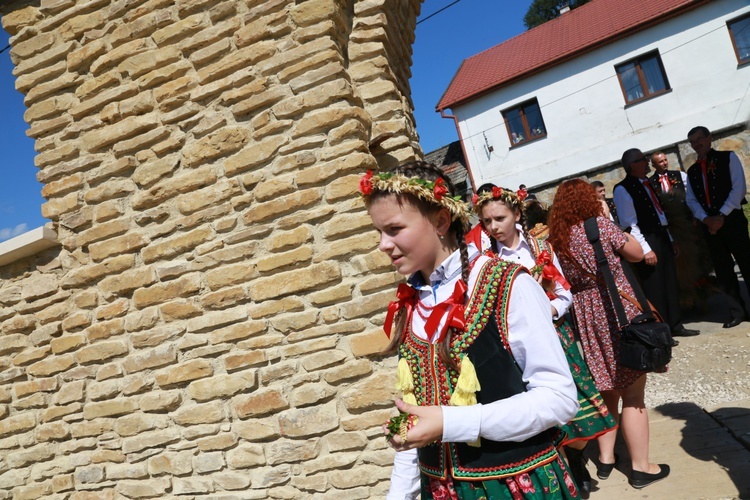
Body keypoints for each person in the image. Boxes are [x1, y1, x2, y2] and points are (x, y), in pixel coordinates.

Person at [361, 162, 580, 499]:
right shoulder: (410, 302)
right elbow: (415, 418)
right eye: (379, 232)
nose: (382, 244)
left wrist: (453, 423)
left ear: (441, 220)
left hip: (512, 486)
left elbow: (559, 399)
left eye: (393, 229)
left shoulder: (508, 283)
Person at [472, 186, 618, 496]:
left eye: (499, 218)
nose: (493, 227)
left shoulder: (541, 249)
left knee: (575, 408)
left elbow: (565, 293)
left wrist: (547, 308)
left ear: (516, 215)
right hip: (515, 345)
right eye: (486, 221)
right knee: (540, 412)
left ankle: (577, 457)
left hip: (556, 335)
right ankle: (569, 470)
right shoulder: (486, 262)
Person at [547, 179, 670, 490]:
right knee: (632, 393)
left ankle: (606, 459)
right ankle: (641, 467)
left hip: (586, 315)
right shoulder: (599, 225)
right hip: (617, 310)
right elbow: (637, 253)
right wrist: (609, 219)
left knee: (607, 388)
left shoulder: (557, 238)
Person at [612, 149, 700, 337]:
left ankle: (676, 324)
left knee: (670, 282)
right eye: (642, 160)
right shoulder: (623, 189)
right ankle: (663, 330)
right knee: (656, 287)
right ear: (632, 165)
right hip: (647, 241)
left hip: (661, 236)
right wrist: (646, 250)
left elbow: (659, 214)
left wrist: (670, 239)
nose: (646, 162)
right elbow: (630, 223)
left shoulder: (647, 183)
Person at [685, 126, 750, 328]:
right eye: (692, 141)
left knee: (747, 263)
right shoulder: (692, 171)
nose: (697, 144)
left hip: (731, 220)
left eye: (699, 139)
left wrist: (720, 215)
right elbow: (691, 200)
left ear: (709, 138)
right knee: (723, 270)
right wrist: (706, 219)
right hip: (709, 226)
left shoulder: (728, 158)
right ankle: (736, 311)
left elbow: (739, 188)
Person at [648, 152, 713, 312]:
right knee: (680, 265)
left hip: (688, 224)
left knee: (697, 258)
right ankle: (685, 299)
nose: (664, 163)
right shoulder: (651, 183)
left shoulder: (680, 175)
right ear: (653, 165)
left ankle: (702, 296)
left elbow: (691, 197)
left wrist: (693, 216)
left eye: (665, 160)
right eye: (660, 162)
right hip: (670, 228)